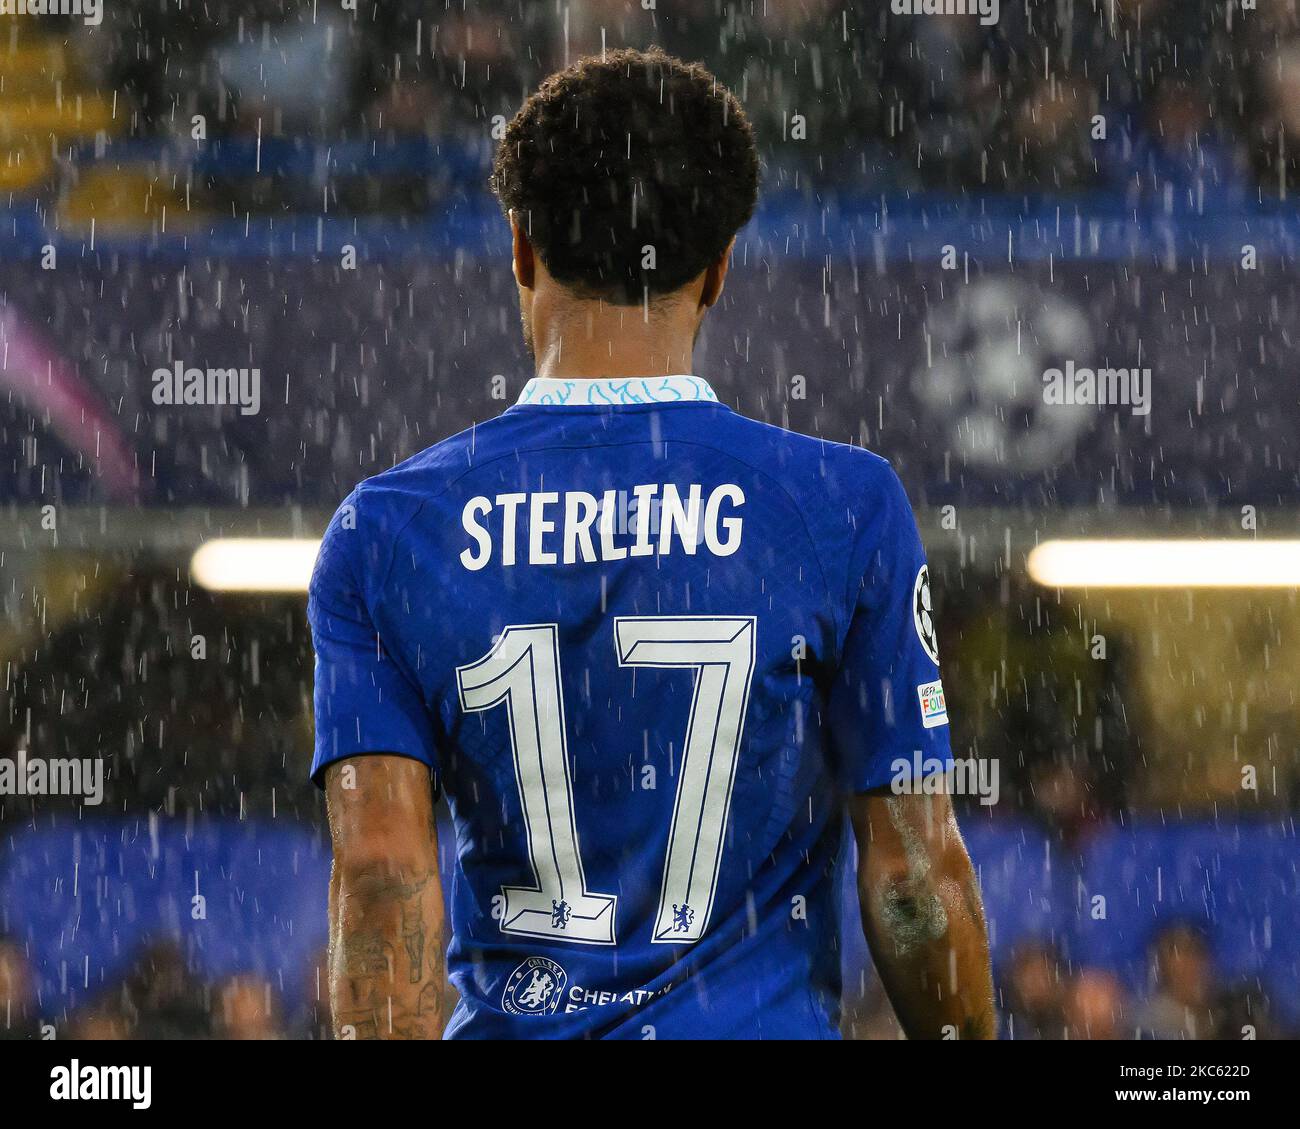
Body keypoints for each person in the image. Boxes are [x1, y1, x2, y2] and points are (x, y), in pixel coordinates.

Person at [311, 46, 993, 1040]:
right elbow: (912, 876)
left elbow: (379, 875)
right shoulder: (841, 506)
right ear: (719, 266)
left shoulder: (386, 530)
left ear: (520, 248)